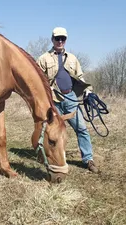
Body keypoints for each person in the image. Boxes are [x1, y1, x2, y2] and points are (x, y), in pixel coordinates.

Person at [36, 27, 99, 173]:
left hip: (70, 98)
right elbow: (37, 80)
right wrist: (47, 88)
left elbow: (80, 76)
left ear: (65, 40)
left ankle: (88, 159)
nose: (60, 41)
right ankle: (51, 156)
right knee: (53, 132)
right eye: (57, 38)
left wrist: (87, 91)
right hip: (53, 100)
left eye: (62, 39)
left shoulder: (72, 58)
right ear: (52, 39)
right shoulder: (43, 58)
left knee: (82, 128)